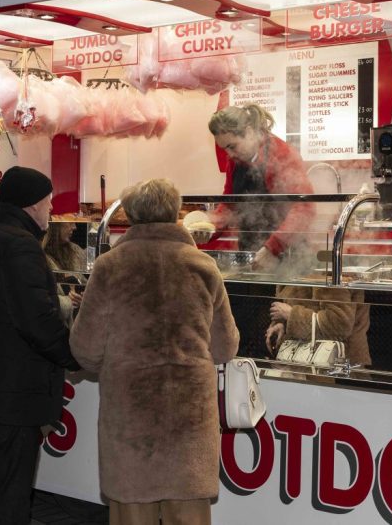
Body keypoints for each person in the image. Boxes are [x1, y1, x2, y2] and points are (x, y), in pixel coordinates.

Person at [70, 178, 239, 525]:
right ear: (176, 213)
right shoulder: (203, 266)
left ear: (130, 216)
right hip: (190, 422)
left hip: (131, 423)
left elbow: (85, 350)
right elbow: (225, 347)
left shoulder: (109, 267)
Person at [0, 166, 80, 525]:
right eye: (49, 203)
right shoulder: (21, 246)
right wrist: (75, 353)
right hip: (11, 397)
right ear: (32, 204)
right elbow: (36, 322)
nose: (51, 211)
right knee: (10, 499)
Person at [203, 104, 314, 272]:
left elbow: (305, 207)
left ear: (248, 132)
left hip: (286, 255)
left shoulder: (282, 154)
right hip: (250, 248)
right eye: (225, 148)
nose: (229, 154)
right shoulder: (235, 161)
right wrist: (208, 228)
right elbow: (230, 202)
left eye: (232, 146)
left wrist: (273, 248)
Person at [265, 285, 371, 367]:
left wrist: (291, 314)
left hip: (337, 367)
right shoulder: (301, 262)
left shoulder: (328, 264)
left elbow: (339, 325)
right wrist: (283, 323)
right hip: (304, 362)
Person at [41, 219, 85, 326]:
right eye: (70, 222)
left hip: (77, 327)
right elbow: (38, 300)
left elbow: (85, 282)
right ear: (55, 225)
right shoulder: (39, 256)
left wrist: (83, 295)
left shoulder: (76, 251)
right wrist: (68, 302)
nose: (74, 227)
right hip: (53, 328)